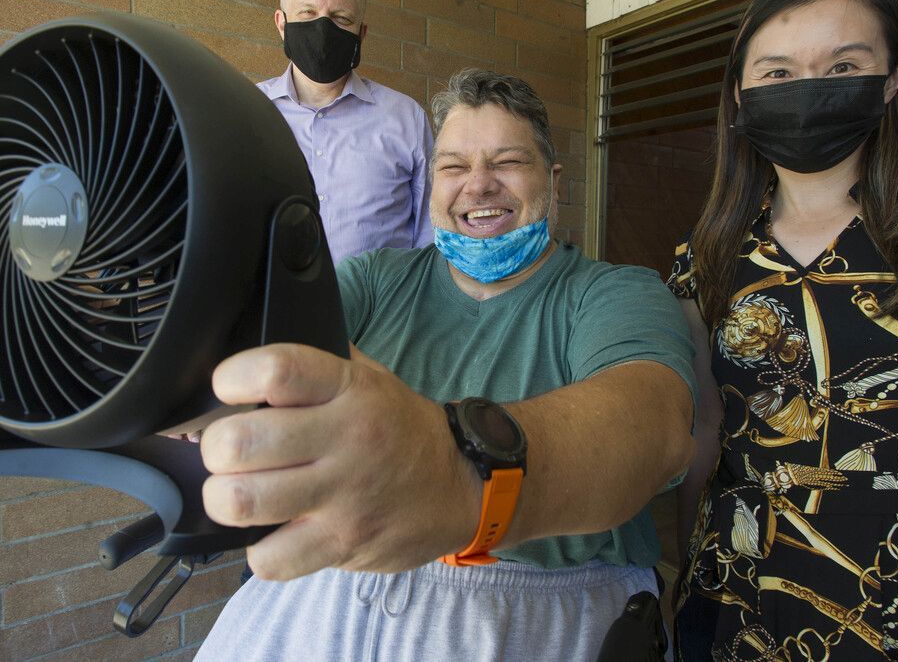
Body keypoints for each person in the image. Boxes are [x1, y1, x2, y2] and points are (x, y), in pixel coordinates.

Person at [194, 69, 696, 661]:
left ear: (553, 183)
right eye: (454, 167)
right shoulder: (375, 280)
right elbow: (247, 341)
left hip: (546, 613)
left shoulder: (614, 293)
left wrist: (454, 473)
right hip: (330, 590)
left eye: (507, 162)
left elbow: (652, 427)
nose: (477, 186)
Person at [668, 0, 898, 661]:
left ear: (896, 77)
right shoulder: (707, 255)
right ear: (740, 92)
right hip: (745, 585)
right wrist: (674, 564)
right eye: (779, 73)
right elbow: (703, 432)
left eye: (844, 65)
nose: (808, 91)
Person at [258, 0, 434, 263]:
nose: (323, 29)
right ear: (281, 23)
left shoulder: (406, 119)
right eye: (307, 12)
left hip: (379, 312)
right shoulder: (245, 112)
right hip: (271, 310)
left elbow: (431, 238)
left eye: (341, 18)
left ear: (361, 33)